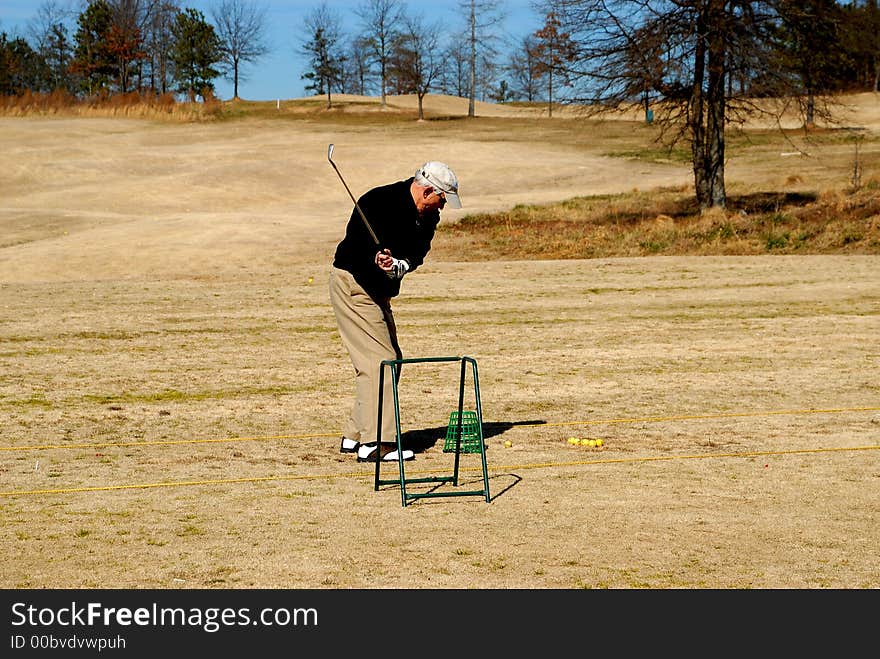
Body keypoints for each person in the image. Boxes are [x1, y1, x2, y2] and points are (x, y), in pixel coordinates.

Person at [329, 160, 462, 463]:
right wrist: (375, 259)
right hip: (353, 283)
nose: (442, 207)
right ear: (428, 190)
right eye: (441, 199)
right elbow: (357, 245)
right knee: (380, 362)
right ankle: (377, 443)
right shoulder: (377, 201)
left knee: (390, 360)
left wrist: (400, 265)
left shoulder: (427, 218)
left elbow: (418, 252)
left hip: (378, 291)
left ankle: (355, 436)